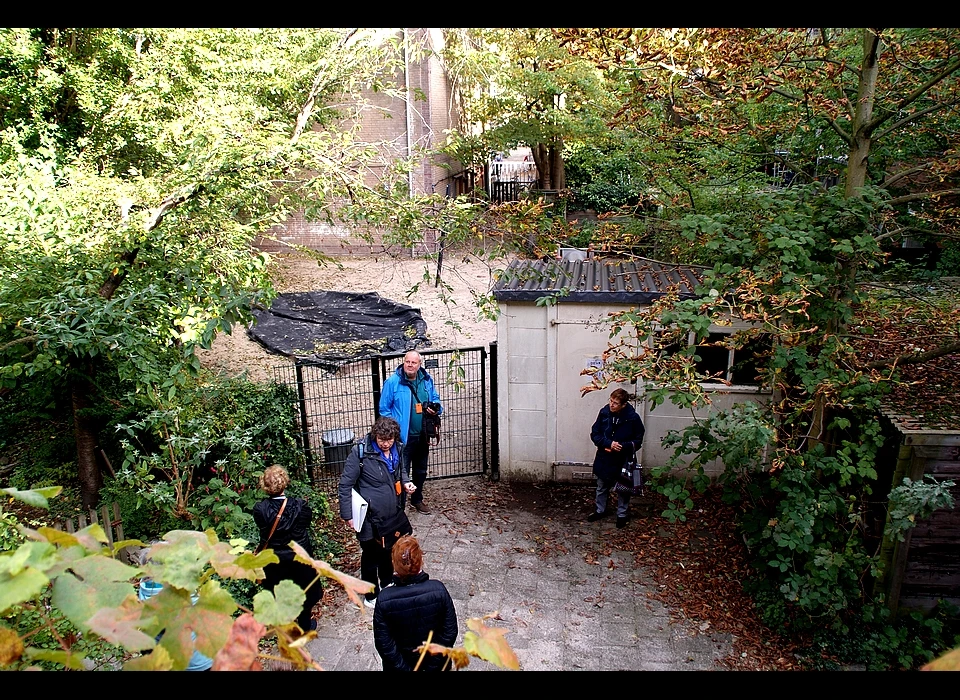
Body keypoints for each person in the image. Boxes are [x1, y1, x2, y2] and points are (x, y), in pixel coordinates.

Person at [339, 416, 415, 608]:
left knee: (388, 548)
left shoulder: (397, 447)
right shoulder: (360, 453)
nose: (385, 444)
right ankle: (371, 594)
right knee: (370, 555)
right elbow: (345, 484)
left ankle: (387, 582)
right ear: (375, 436)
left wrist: (406, 482)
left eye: (389, 440)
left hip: (391, 515)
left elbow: (401, 470)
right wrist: (348, 515)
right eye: (381, 440)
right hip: (368, 518)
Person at [253, 464, 323, 633]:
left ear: (265, 487)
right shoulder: (300, 506)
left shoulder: (260, 510)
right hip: (299, 555)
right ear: (284, 482)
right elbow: (306, 523)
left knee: (279, 590)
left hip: (275, 558)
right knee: (304, 589)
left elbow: (263, 530)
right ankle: (305, 624)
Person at [373, 535, 458, 671]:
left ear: (394, 563)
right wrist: (433, 666)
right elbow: (449, 633)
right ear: (420, 560)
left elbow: (384, 644)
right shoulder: (438, 590)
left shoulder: (384, 599)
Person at [378, 350, 443, 514]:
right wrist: (394, 430)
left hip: (423, 435)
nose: (410, 365)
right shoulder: (393, 382)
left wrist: (436, 408)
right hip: (402, 438)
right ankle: (399, 507)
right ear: (403, 362)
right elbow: (384, 409)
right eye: (408, 362)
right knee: (401, 471)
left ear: (419, 364)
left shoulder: (426, 380)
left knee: (421, 470)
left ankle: (417, 499)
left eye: (414, 362)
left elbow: (436, 399)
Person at [587, 388, 645, 529]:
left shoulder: (633, 418)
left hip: (623, 458)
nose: (611, 405)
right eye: (611, 401)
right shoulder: (604, 413)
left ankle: (622, 514)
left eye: (615, 403)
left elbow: (638, 439)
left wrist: (623, 446)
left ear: (623, 404)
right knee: (601, 485)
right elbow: (595, 434)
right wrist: (608, 444)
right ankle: (600, 510)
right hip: (605, 456)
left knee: (623, 488)